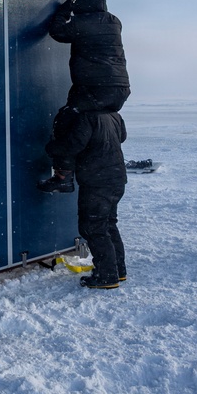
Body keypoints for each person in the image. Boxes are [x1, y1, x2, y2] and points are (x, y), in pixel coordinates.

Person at [38, 0, 130, 193]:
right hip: (119, 89)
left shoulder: (85, 22)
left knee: (66, 120)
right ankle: (100, 168)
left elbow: (58, 32)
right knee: (98, 122)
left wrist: (65, 9)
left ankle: (63, 176)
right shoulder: (113, 21)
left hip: (96, 86)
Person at [45, 107, 128, 289]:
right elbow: (122, 137)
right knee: (108, 224)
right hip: (116, 178)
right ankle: (118, 271)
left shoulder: (86, 115)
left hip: (97, 180)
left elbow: (74, 144)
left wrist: (52, 147)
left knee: (93, 227)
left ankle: (106, 276)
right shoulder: (113, 114)